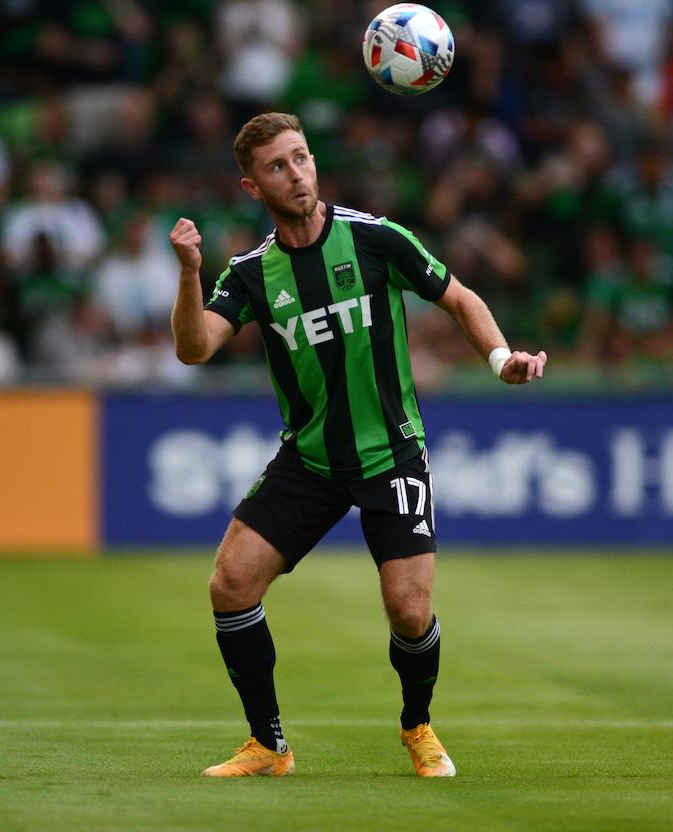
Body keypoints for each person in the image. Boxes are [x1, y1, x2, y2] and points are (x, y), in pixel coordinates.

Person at [169, 113, 547, 778]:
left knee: (409, 608)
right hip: (310, 460)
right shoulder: (253, 273)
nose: (297, 173)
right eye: (278, 167)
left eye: (302, 158)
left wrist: (499, 358)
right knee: (230, 585)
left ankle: (417, 724)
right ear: (252, 188)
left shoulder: (374, 238)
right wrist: (190, 272)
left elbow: (458, 299)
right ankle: (268, 745)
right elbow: (195, 347)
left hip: (391, 453)